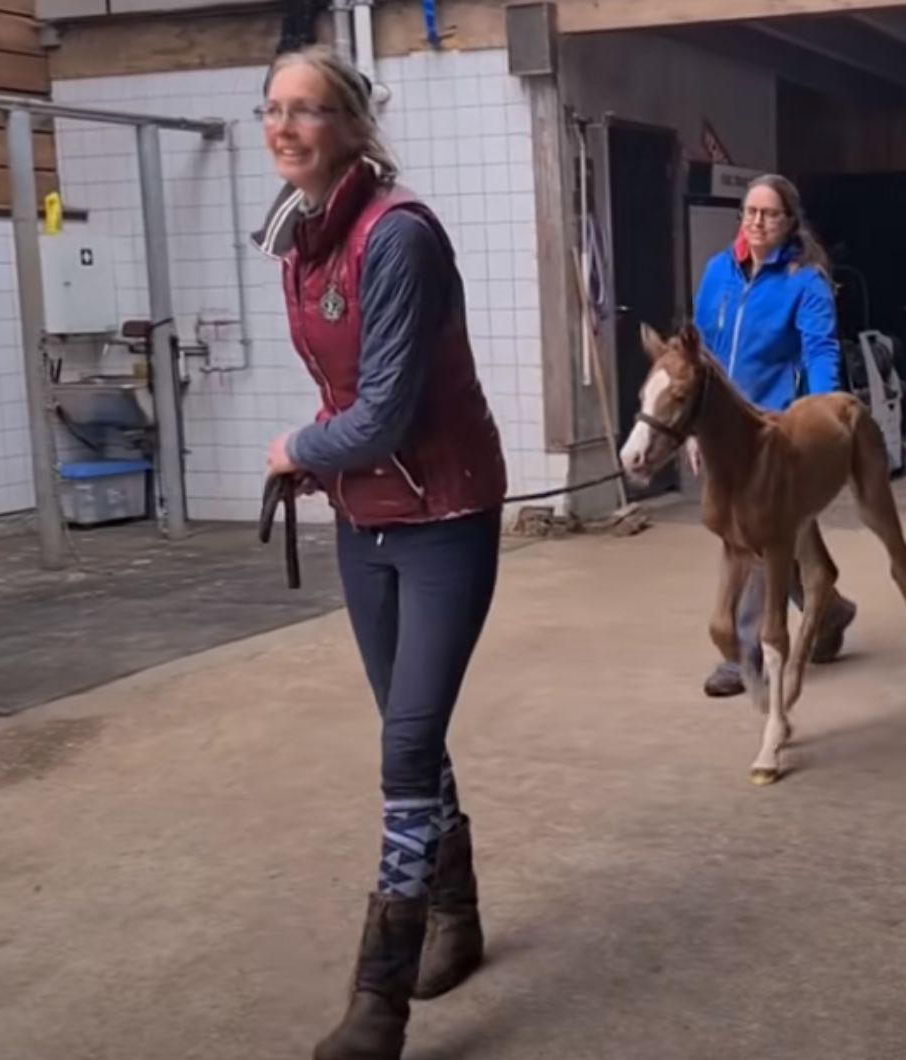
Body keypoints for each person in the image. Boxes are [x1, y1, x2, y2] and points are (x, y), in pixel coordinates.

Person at [255, 46, 508, 1060]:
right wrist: (323, 455)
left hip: (443, 513)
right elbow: (347, 402)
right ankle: (458, 911)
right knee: (412, 733)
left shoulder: (395, 238)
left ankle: (379, 998)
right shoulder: (303, 239)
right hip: (365, 520)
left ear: (352, 126)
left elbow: (384, 411)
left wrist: (296, 449)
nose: (284, 125)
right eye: (272, 108)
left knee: (405, 744)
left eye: (307, 110)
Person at [689, 174, 858, 699]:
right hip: (721, 430)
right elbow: (699, 351)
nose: (757, 221)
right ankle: (828, 612)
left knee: (758, 539)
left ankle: (744, 656)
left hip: (770, 430)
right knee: (777, 532)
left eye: (769, 214)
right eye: (749, 211)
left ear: (789, 223)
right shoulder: (718, 272)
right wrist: (694, 428)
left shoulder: (804, 280)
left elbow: (820, 351)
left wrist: (824, 412)